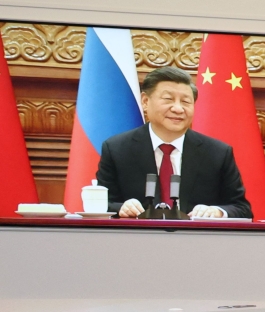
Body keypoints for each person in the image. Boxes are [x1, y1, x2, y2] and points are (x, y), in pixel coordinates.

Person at [96, 66, 253, 219]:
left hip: (195, 236)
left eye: (185, 101)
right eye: (168, 99)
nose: (178, 109)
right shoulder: (117, 149)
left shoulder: (217, 153)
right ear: (145, 101)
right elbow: (101, 204)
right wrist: (122, 208)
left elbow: (242, 209)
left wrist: (217, 212)